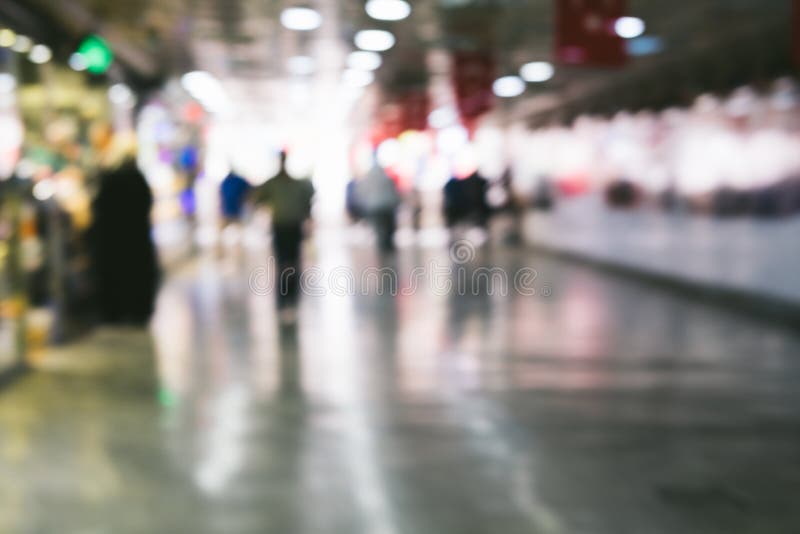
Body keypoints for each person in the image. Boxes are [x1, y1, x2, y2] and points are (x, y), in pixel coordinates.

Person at [89, 132, 159, 325]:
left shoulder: (109, 180)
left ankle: (117, 312)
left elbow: (98, 208)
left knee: (117, 277)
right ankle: (136, 311)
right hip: (137, 241)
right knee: (136, 276)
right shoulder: (137, 179)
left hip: (113, 243)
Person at [252, 151, 314, 314]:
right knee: (290, 263)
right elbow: (307, 201)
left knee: (286, 263)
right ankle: (288, 299)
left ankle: (287, 299)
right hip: (287, 226)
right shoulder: (290, 184)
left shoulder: (276, 184)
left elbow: (258, 200)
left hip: (285, 226)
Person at [354, 159, 401, 253]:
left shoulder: (367, 180)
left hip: (374, 208)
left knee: (379, 229)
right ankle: (388, 247)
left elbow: (361, 192)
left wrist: (365, 205)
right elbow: (394, 192)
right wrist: (397, 203)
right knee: (388, 228)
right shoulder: (387, 178)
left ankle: (382, 248)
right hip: (387, 207)